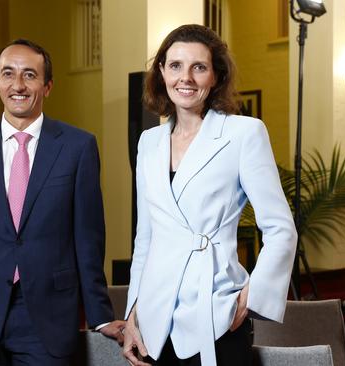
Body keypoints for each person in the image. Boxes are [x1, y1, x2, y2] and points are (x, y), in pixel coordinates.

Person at [0, 38, 124, 366]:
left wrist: (100, 316)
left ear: (47, 86)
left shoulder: (78, 148)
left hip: (47, 318)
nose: (18, 85)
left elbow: (88, 240)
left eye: (30, 75)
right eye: (8, 74)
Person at [122, 25, 297, 366]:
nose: (185, 78)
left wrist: (249, 299)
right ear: (161, 71)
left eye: (198, 67)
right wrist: (133, 314)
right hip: (155, 322)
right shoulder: (149, 142)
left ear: (216, 76)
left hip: (216, 310)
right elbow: (146, 239)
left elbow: (281, 228)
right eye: (175, 66)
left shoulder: (243, 133)